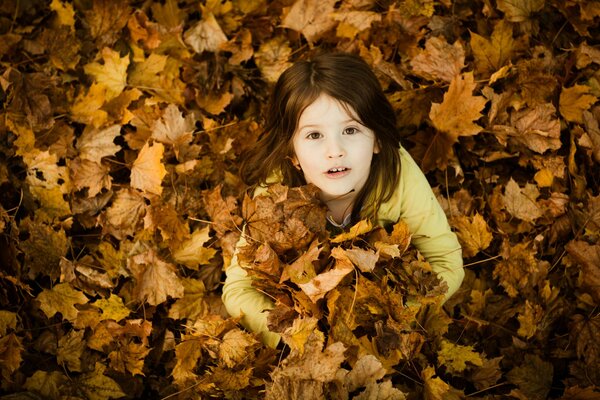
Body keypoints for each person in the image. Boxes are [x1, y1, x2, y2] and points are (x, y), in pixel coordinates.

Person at [221, 52, 464, 348]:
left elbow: (447, 263)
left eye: (350, 130)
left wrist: (394, 318)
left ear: (376, 139)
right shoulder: (276, 193)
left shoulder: (397, 176)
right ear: (293, 153)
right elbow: (237, 290)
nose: (335, 150)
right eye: (314, 136)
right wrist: (299, 338)